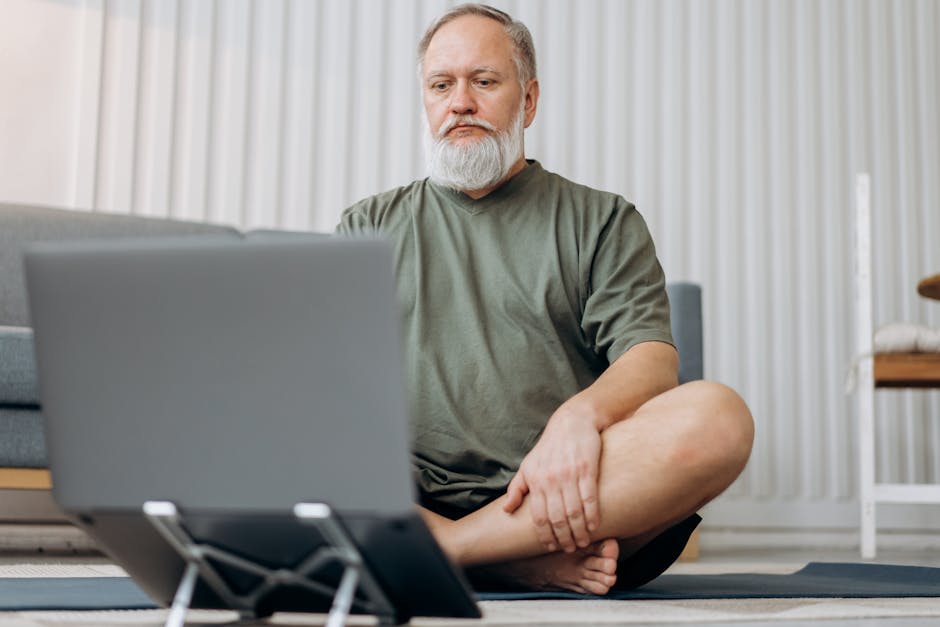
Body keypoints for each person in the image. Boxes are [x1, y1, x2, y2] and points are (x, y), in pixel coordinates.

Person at [337, 3, 753, 594]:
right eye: (441, 85)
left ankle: (457, 551)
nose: (460, 102)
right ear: (426, 101)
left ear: (528, 100)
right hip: (411, 502)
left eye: (484, 81)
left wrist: (576, 419)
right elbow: (330, 387)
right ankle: (504, 558)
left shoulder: (602, 219)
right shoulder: (367, 225)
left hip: (563, 495)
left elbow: (653, 360)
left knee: (720, 419)